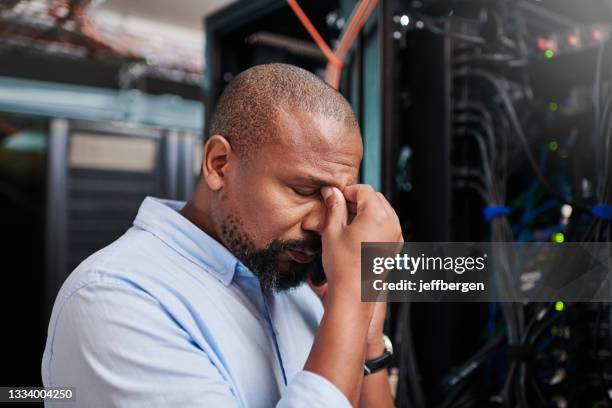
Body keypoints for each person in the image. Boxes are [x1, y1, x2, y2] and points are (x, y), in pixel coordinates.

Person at [42, 63, 402, 407]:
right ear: (219, 164)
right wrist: (352, 295)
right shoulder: (115, 299)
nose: (322, 224)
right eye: (304, 191)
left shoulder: (297, 291)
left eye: (336, 199)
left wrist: (365, 332)